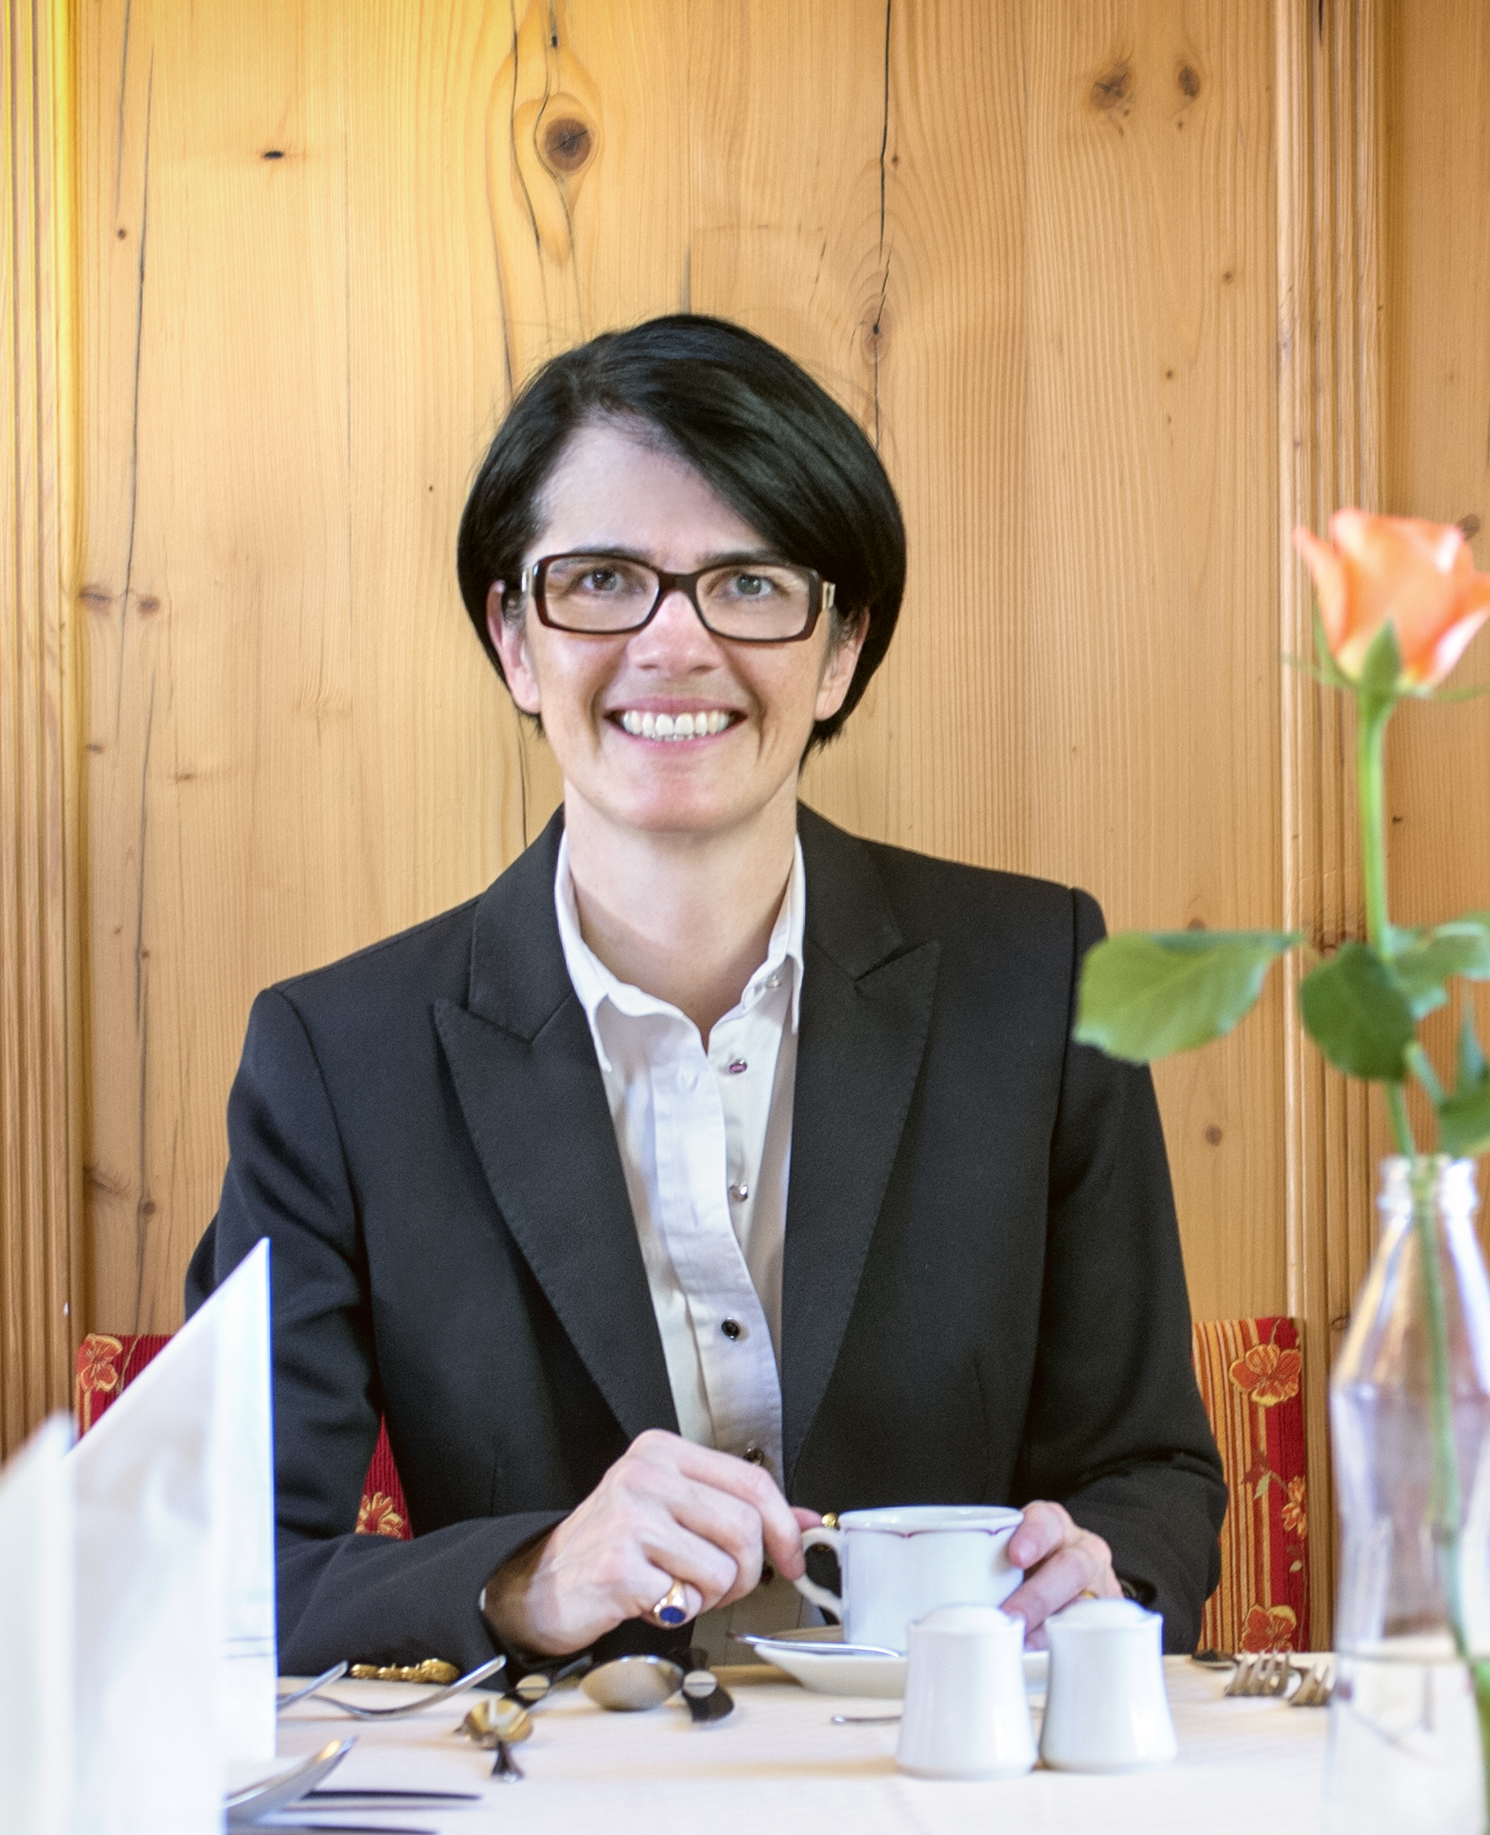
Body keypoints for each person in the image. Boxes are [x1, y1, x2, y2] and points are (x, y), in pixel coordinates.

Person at [194, 314, 1225, 1672]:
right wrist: (525, 1580)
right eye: (601, 580)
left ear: (840, 647)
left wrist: (1104, 1576)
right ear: (514, 638)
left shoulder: (1038, 988)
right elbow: (222, 1574)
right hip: (556, 1778)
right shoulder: (339, 1061)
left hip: (938, 1765)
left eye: (748, 583)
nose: (674, 643)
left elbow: (1151, 1474)